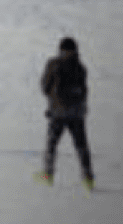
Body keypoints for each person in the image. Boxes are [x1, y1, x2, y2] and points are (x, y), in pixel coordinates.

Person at [39, 36, 94, 189]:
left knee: (51, 144)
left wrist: (52, 99)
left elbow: (44, 86)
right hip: (77, 113)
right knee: (81, 146)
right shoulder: (81, 67)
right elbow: (84, 91)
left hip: (58, 112)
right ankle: (88, 177)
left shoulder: (53, 64)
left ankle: (47, 175)